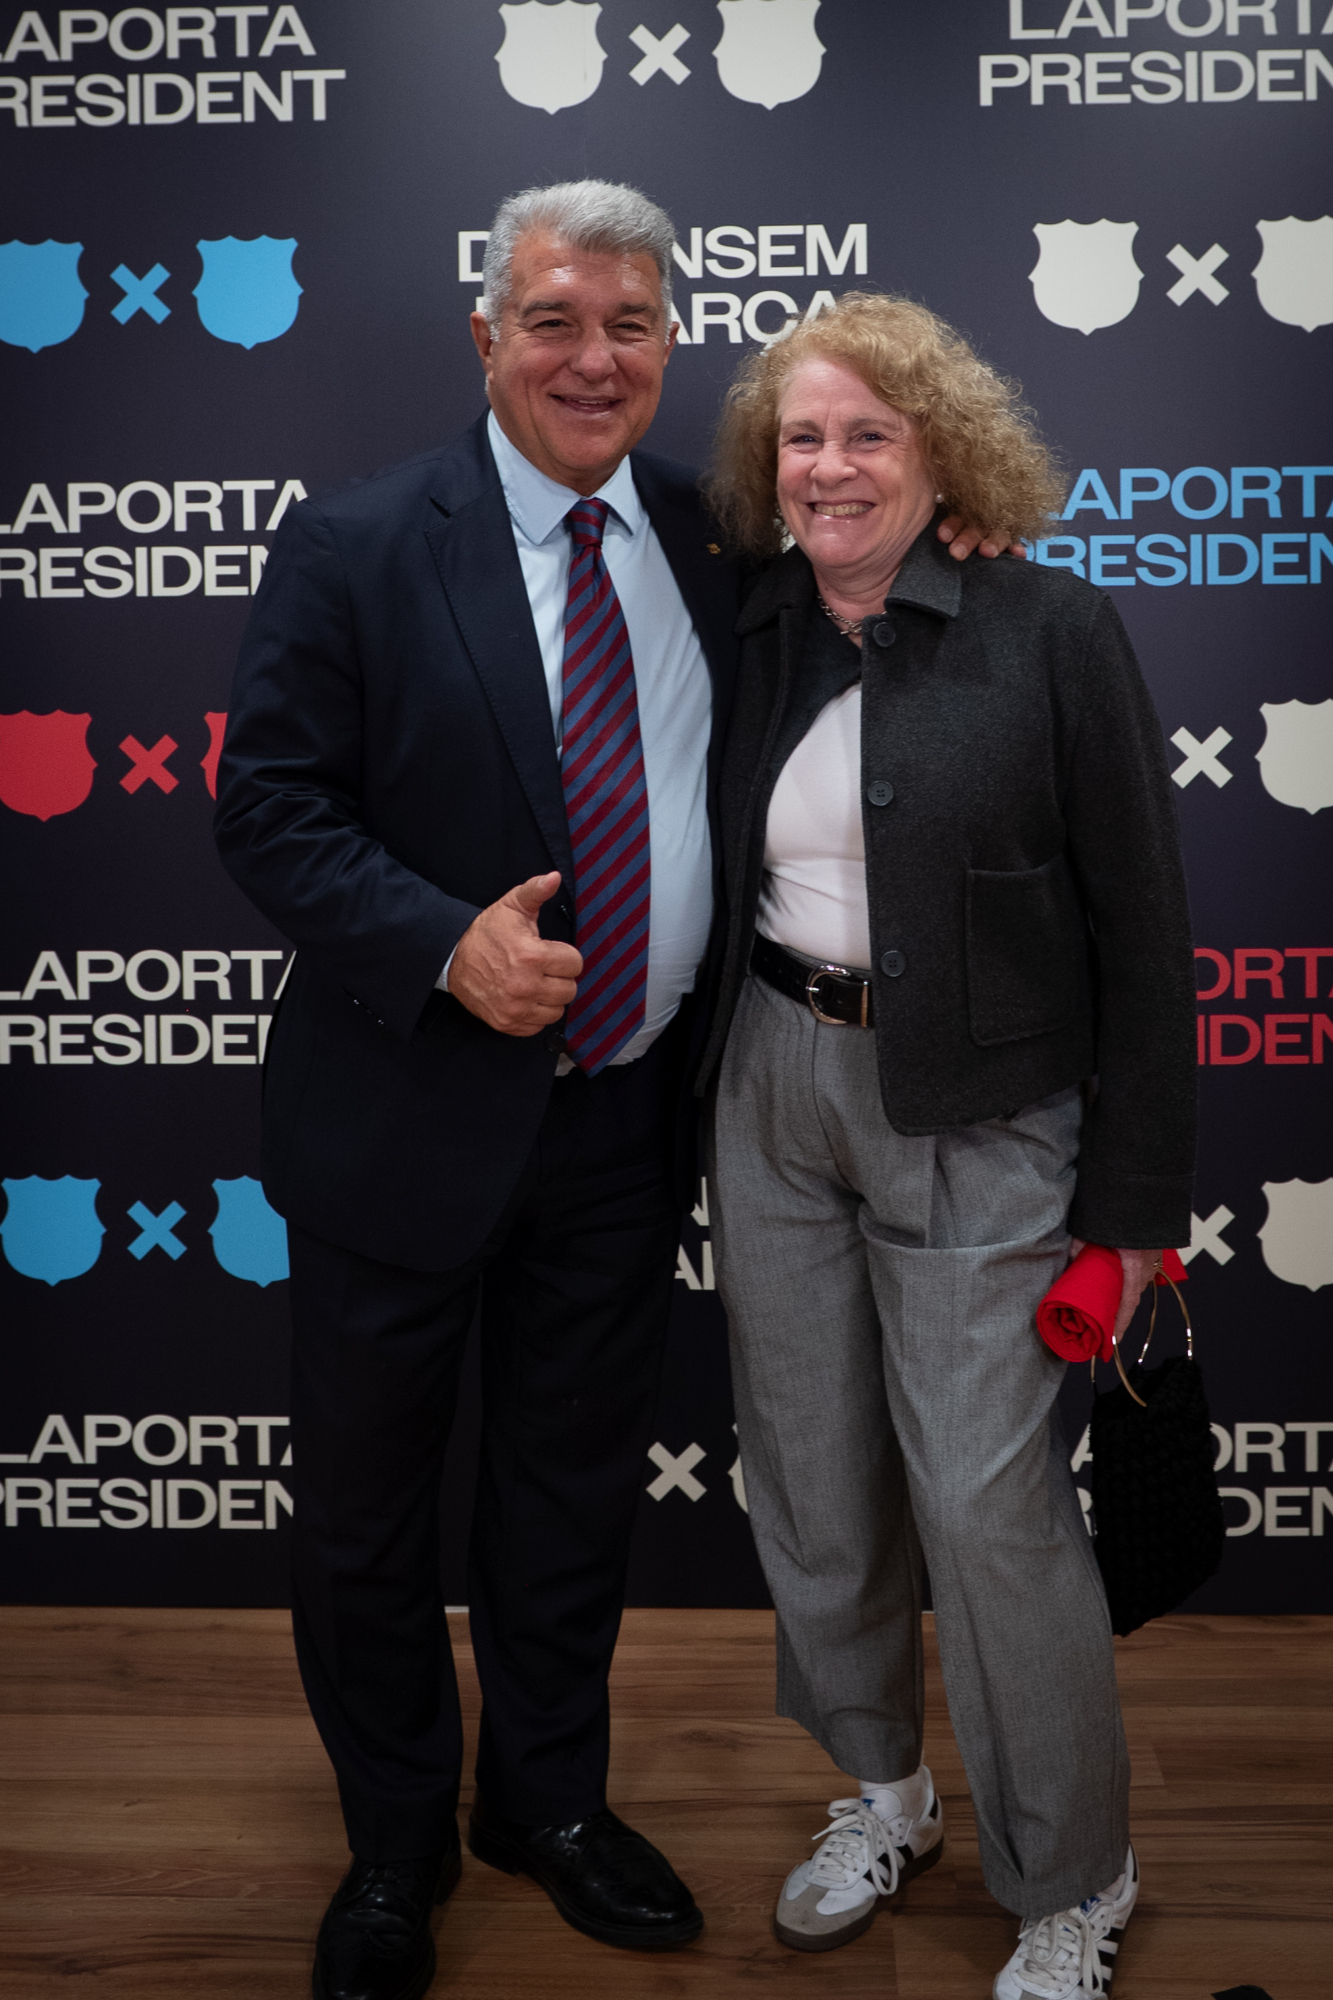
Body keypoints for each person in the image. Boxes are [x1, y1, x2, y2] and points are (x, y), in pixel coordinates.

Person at [214, 180, 1020, 2000]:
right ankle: (396, 1845)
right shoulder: (355, 543)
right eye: (555, 321)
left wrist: (957, 536)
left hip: (625, 1116)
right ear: (486, 337)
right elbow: (265, 807)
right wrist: (441, 942)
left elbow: (878, 583)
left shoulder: (718, 537)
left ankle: (546, 1805)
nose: (594, 358)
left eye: (631, 325)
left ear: (670, 345)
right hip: (401, 1116)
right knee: (365, 1517)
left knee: (568, 1493)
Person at [695, 293, 1196, 2000]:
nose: (828, 467)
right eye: (801, 437)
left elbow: (1142, 928)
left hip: (983, 1118)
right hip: (772, 1085)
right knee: (814, 1476)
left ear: (943, 454)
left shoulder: (1048, 625)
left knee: (985, 1508)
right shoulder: (749, 615)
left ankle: (1075, 1873)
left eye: (869, 434)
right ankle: (883, 1796)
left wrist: (1134, 1207)